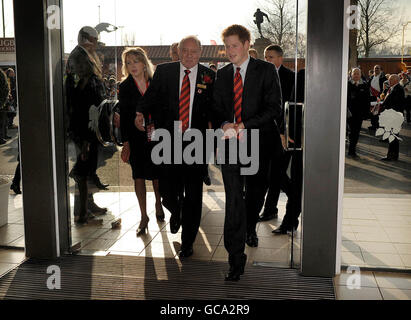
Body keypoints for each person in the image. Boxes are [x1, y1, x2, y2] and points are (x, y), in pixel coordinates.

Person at [135, 36, 215, 258]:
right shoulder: (165, 71)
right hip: (168, 139)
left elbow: (214, 108)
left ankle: (188, 242)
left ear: (200, 53)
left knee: (194, 193)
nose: (189, 55)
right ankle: (176, 211)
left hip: (196, 141)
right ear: (178, 52)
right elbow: (149, 97)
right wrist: (140, 112)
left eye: (193, 51)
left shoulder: (209, 76)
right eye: (185, 51)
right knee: (168, 191)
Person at [213, 25, 282, 281]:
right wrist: (224, 124)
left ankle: (250, 227)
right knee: (233, 201)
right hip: (230, 146)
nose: (230, 51)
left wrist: (244, 124)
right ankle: (235, 258)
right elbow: (216, 108)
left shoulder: (264, 70)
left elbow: (273, 108)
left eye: (234, 46)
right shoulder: (222, 75)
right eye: (227, 46)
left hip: (260, 145)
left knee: (253, 198)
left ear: (245, 44)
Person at [118, 47, 165, 236]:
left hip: (156, 135)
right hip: (136, 138)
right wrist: (126, 142)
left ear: (144, 63)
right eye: (128, 63)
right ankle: (144, 216)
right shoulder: (125, 86)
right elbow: (123, 115)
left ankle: (159, 203)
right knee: (138, 175)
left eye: (135, 61)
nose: (132, 66)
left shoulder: (155, 83)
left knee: (156, 175)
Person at [65, 26, 108, 224]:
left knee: (89, 165)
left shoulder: (85, 55)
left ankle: (87, 205)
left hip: (90, 120)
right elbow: (77, 93)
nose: (96, 43)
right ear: (84, 38)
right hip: (83, 122)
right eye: (94, 39)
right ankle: (81, 211)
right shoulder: (77, 57)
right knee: (83, 166)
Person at [260, 44, 294, 222]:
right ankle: (291, 197)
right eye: (265, 57)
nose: (267, 60)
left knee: (277, 172)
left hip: (283, 134)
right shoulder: (262, 75)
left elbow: (289, 109)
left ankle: (273, 208)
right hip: (264, 132)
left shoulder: (291, 78)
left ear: (281, 58)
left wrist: (282, 132)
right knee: (270, 173)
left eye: (270, 57)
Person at [272, 68, 305, 235]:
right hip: (296, 138)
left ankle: (289, 222)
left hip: (319, 141)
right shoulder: (302, 75)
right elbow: (291, 105)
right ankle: (297, 198)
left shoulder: (338, 79)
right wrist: (284, 132)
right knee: (277, 172)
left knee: (299, 181)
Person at [346, 68, 371, 158]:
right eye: (354, 73)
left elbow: (367, 100)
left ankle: (352, 149)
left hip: (359, 114)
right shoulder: (346, 84)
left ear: (360, 75)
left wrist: (367, 113)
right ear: (351, 75)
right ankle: (351, 150)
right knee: (351, 132)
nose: (356, 75)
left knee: (356, 132)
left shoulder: (364, 85)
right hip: (349, 113)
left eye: (358, 74)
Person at [379, 74, 405, 161]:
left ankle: (391, 156)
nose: (388, 82)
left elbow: (396, 104)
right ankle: (393, 155)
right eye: (389, 80)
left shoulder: (398, 89)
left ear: (396, 80)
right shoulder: (392, 88)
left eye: (390, 80)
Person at [368, 65, 387, 130]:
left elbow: (386, 88)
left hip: (379, 96)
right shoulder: (371, 77)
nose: (376, 69)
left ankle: (379, 125)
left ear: (380, 70)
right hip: (372, 97)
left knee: (379, 111)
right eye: (375, 68)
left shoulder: (383, 78)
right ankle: (373, 125)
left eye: (377, 68)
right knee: (372, 111)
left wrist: (382, 95)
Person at [0, 68, 9, 145]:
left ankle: (2, 136)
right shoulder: (2, 75)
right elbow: (5, 89)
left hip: (2, 103)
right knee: (2, 122)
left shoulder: (1, 75)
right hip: (1, 104)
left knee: (3, 121)